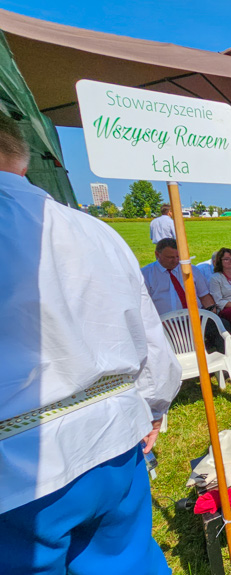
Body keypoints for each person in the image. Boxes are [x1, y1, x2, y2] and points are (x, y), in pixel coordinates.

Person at [0, 112, 181, 574]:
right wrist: (152, 408)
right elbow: (150, 340)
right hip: (114, 440)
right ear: (23, 163)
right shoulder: (97, 231)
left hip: (23, 473)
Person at [141, 238, 215, 316]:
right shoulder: (146, 274)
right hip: (162, 323)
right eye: (170, 257)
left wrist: (212, 313)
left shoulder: (191, 270)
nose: (175, 260)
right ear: (157, 254)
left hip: (195, 320)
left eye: (178, 256)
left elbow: (204, 296)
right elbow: (143, 304)